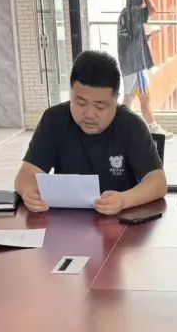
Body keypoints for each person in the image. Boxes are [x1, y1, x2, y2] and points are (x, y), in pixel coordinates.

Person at [15, 50, 167, 216]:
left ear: (116, 100)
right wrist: (30, 192)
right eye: (81, 103)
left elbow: (158, 182)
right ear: (71, 93)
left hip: (120, 221)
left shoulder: (131, 125)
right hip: (68, 220)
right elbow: (27, 174)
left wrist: (124, 200)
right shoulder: (54, 120)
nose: (89, 114)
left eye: (100, 106)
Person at [117, 0, 171, 139]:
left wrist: (145, 37)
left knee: (134, 97)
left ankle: (126, 128)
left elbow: (131, 37)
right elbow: (153, 9)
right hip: (136, 64)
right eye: (141, 0)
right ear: (138, 1)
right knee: (138, 98)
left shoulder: (124, 14)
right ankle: (149, 129)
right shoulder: (135, 14)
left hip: (128, 63)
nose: (143, 4)